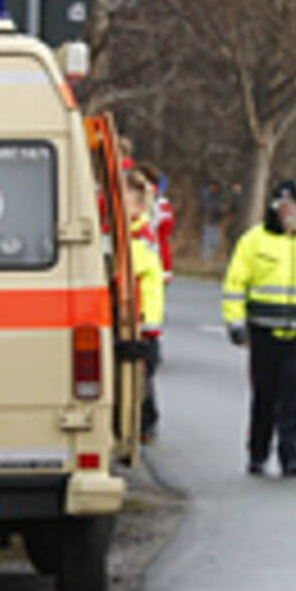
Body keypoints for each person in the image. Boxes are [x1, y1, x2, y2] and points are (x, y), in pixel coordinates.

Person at [222, 179, 296, 478]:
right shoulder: (255, 241)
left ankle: (291, 456)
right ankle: (258, 452)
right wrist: (235, 324)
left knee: (293, 391)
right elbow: (236, 283)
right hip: (263, 329)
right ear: (280, 208)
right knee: (265, 392)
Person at [126, 171, 165, 444]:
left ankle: (145, 423)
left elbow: (139, 274)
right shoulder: (124, 231)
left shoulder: (141, 235)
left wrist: (148, 323)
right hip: (133, 315)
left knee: (142, 376)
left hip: (141, 318)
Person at [200, 178, 226, 265]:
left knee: (215, 242)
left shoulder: (217, 196)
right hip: (208, 223)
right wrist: (220, 209)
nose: (216, 189)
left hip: (215, 223)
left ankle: (208, 260)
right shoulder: (206, 195)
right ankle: (206, 261)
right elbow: (208, 207)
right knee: (207, 243)